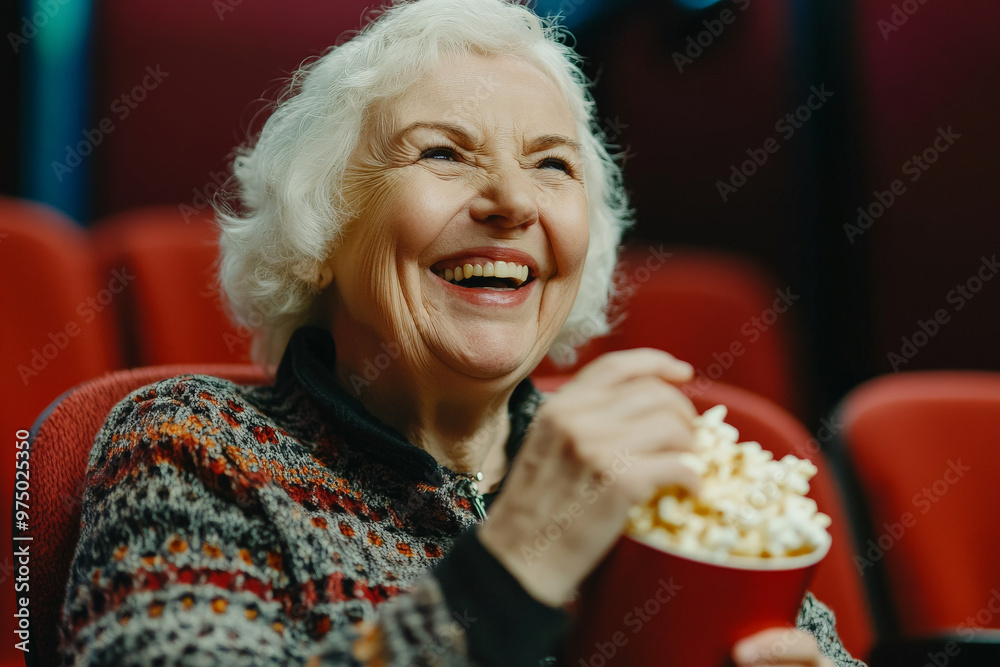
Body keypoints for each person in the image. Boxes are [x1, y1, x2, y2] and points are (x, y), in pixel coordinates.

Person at [61, 0, 865, 665]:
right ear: (320, 231)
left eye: (553, 165)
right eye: (444, 153)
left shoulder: (663, 475)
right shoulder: (193, 444)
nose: (513, 202)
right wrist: (514, 566)